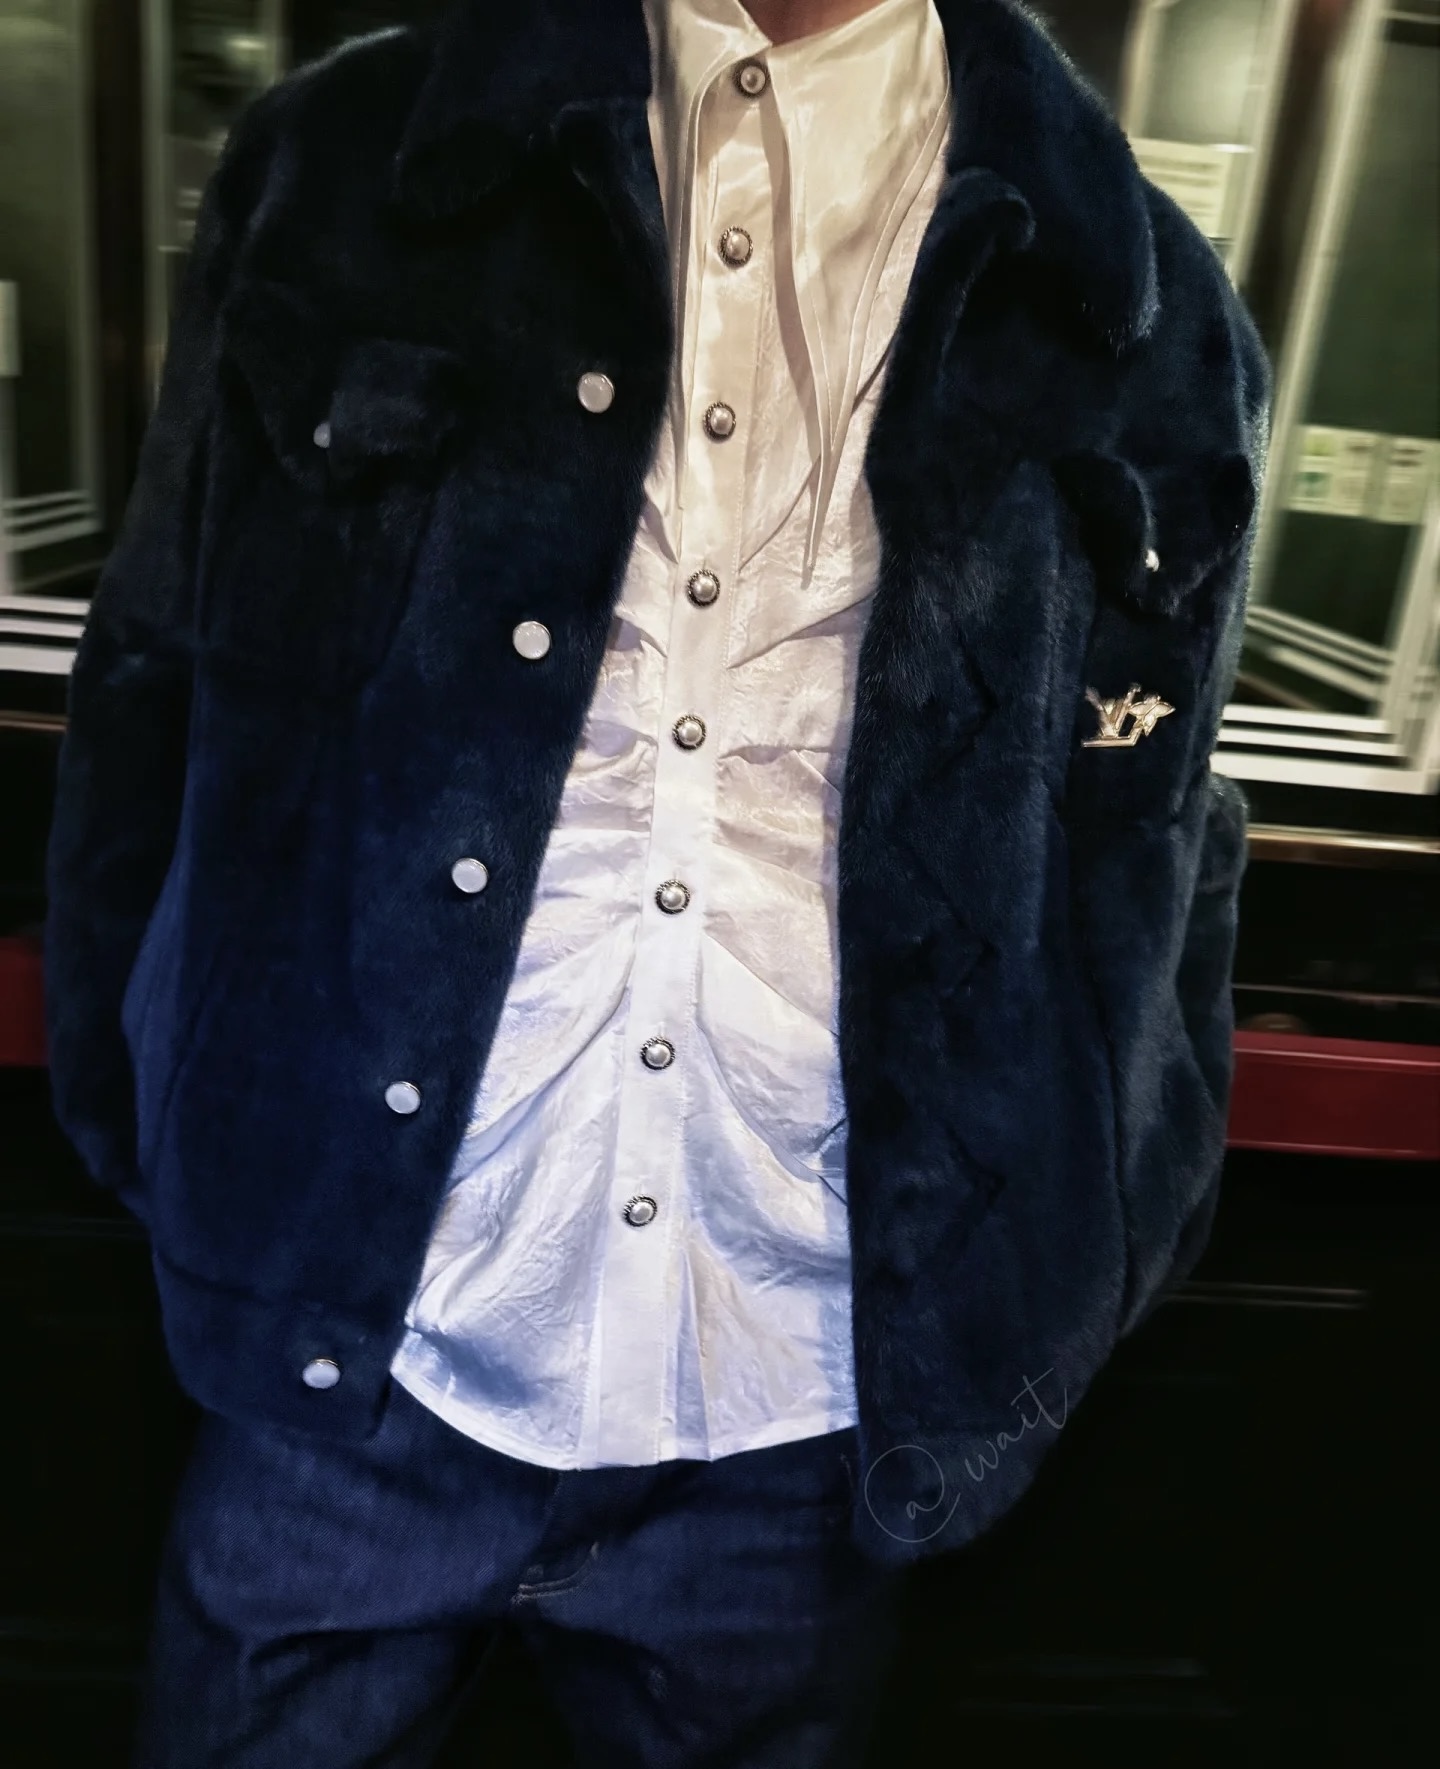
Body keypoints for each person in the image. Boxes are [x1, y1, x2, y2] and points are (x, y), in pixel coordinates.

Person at [41, 0, 1271, 1763]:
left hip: (803, 1420)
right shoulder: (346, 168)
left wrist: (1101, 1234)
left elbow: (1151, 854)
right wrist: (167, 1127)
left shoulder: (1147, 312)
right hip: (348, 1358)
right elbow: (156, 679)